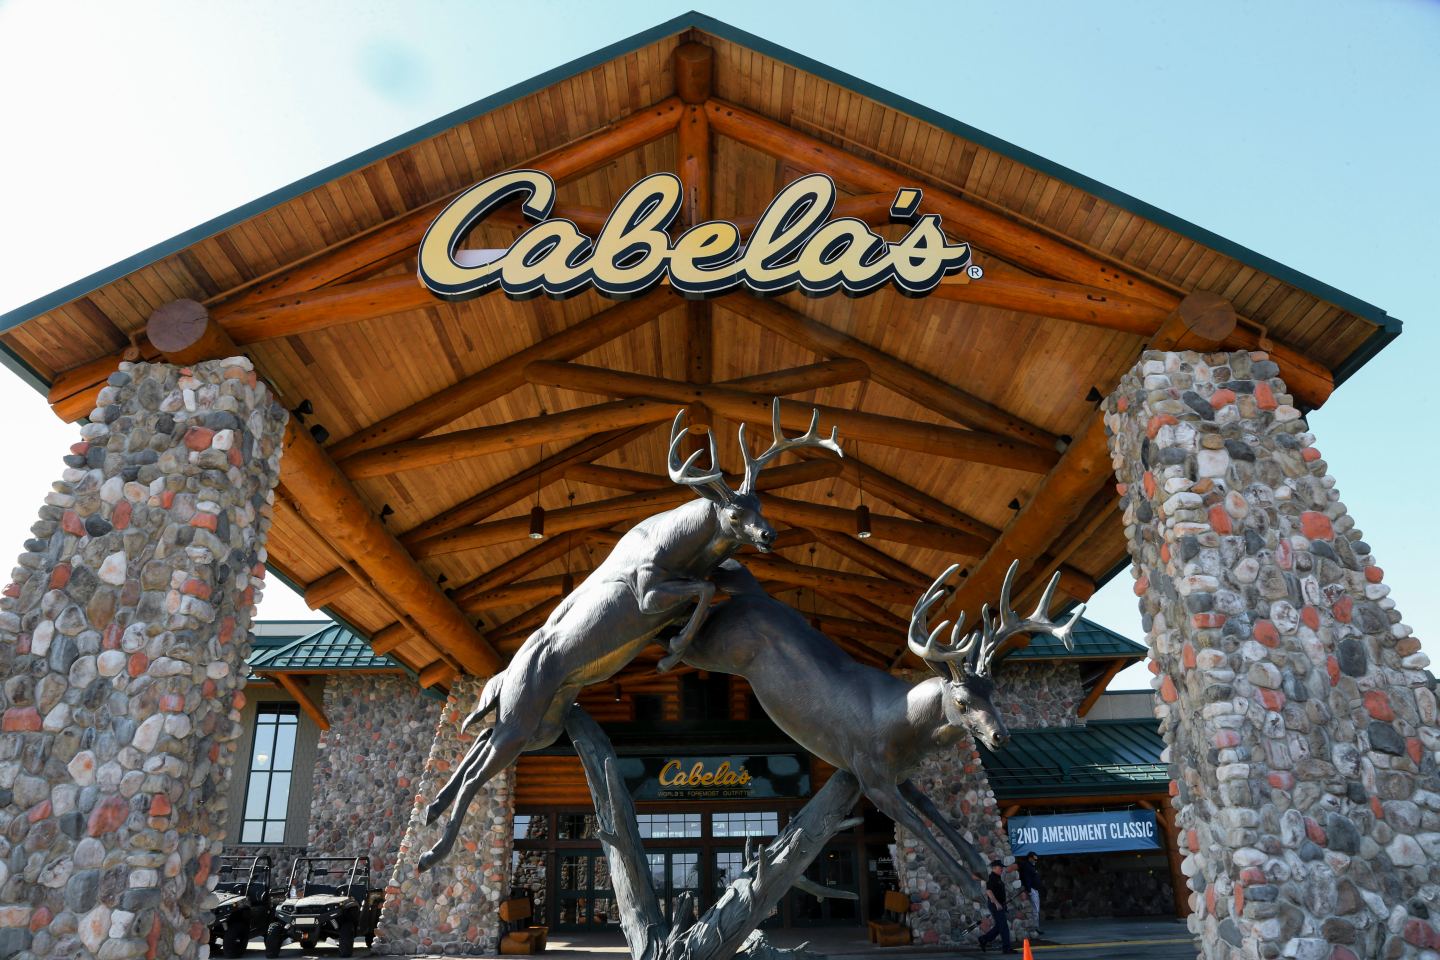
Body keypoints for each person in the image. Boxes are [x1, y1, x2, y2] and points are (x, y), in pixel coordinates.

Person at [977, 859, 1015, 954]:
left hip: (1000, 905)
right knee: (1004, 927)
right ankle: (1006, 948)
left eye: (1002, 867)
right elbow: (989, 891)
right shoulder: (991, 878)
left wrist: (1003, 903)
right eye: (1000, 867)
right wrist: (997, 903)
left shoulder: (998, 877)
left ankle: (984, 939)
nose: (1002, 869)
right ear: (994, 868)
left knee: (999, 926)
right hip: (995, 905)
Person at [1017, 851, 1044, 934]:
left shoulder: (1031, 866)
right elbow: (1027, 879)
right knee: (1035, 910)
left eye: (1036, 859)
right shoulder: (1027, 866)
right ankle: (1036, 927)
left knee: (1035, 909)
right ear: (1030, 858)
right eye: (1034, 859)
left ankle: (1035, 927)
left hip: (1034, 889)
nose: (1036, 861)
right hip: (1032, 890)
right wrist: (1029, 890)